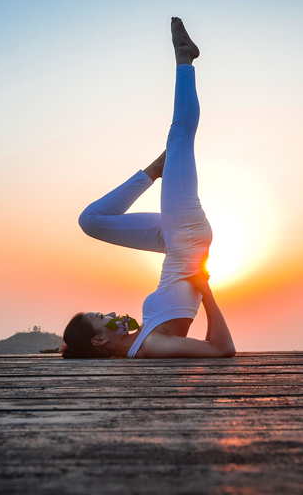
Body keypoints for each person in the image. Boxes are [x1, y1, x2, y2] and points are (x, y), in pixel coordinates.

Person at [62, 18, 235, 359]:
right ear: (99, 340)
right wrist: (207, 291)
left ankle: (154, 171)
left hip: (175, 242)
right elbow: (221, 350)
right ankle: (184, 59)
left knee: (90, 221)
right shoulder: (153, 345)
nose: (110, 314)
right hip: (186, 238)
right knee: (179, 134)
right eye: (102, 318)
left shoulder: (143, 337)